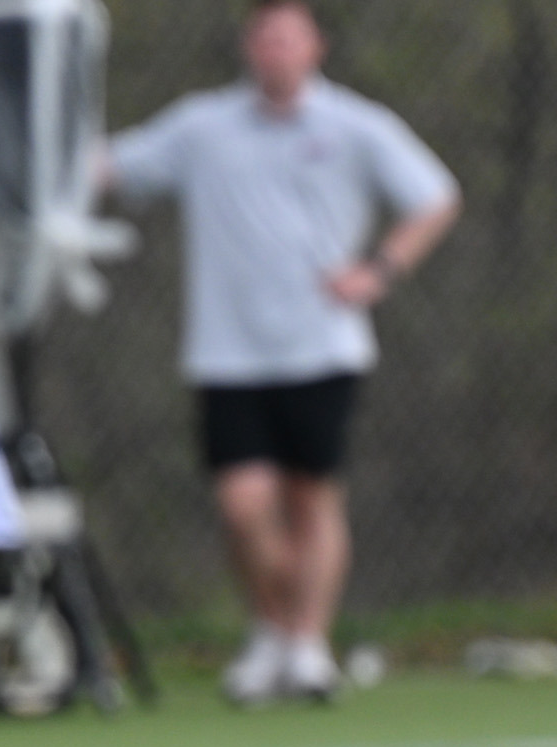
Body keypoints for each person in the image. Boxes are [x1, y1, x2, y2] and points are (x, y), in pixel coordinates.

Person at [105, 0, 460, 702]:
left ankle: (305, 645)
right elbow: (111, 168)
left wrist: (379, 270)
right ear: (249, 46)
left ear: (315, 46)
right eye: (265, 37)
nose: (276, 49)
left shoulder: (357, 126)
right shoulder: (201, 127)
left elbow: (435, 197)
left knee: (311, 500)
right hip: (225, 354)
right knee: (243, 507)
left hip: (322, 348)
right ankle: (273, 627)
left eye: (289, 37)